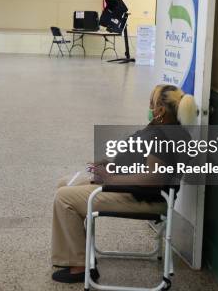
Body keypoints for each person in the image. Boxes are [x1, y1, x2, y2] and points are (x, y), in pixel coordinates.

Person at [50, 84, 197, 283]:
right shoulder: (164, 129)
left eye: (151, 104)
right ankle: (77, 252)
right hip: (127, 187)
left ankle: (79, 266)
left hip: (139, 197)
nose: (149, 107)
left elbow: (151, 180)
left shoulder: (163, 136)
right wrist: (111, 166)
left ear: (162, 109)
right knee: (64, 183)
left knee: (63, 197)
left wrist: (111, 178)